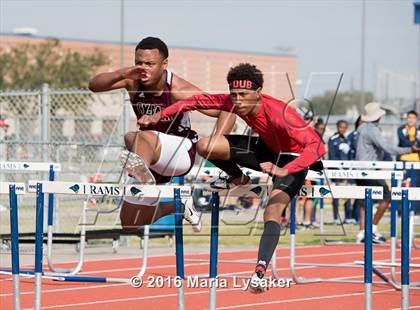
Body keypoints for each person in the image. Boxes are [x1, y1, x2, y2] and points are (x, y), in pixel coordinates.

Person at [139, 63, 326, 293]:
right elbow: (193, 101)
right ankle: (238, 178)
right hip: (264, 150)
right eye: (234, 94)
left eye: (244, 95)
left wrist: (286, 170)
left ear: (258, 92)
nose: (238, 101)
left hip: (291, 158)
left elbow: (317, 146)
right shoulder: (232, 101)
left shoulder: (280, 113)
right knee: (206, 145)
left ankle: (259, 272)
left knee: (272, 211)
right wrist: (159, 115)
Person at [88, 37, 236, 233]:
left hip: (180, 151)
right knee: (130, 224)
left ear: (164, 64)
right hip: (148, 156)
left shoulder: (178, 89)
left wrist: (216, 143)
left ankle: (140, 173)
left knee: (137, 137)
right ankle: (177, 205)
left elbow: (228, 108)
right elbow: (94, 85)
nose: (143, 69)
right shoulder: (132, 81)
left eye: (149, 64)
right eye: (138, 63)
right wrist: (123, 72)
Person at [355, 102, 420, 244]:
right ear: (377, 117)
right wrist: (410, 150)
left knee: (364, 202)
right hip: (369, 170)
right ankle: (370, 229)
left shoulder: (361, 128)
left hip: (359, 168)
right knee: (386, 197)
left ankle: (362, 233)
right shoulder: (372, 130)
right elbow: (388, 148)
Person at [328, 120, 353, 224]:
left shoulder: (347, 140)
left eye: (345, 127)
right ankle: (335, 218)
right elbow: (332, 156)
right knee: (336, 195)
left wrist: (350, 168)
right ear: (337, 127)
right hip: (336, 172)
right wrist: (339, 169)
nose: (343, 129)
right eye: (341, 127)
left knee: (347, 194)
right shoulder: (332, 140)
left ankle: (347, 217)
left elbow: (350, 155)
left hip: (347, 172)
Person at [397, 110, 419, 214]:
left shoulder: (418, 130)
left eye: (413, 118)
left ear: (416, 119)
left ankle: (416, 210)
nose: (411, 120)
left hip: (417, 161)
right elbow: (403, 141)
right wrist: (413, 145)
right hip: (404, 160)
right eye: (409, 117)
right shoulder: (401, 129)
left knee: (416, 185)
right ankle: (402, 210)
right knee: (404, 185)